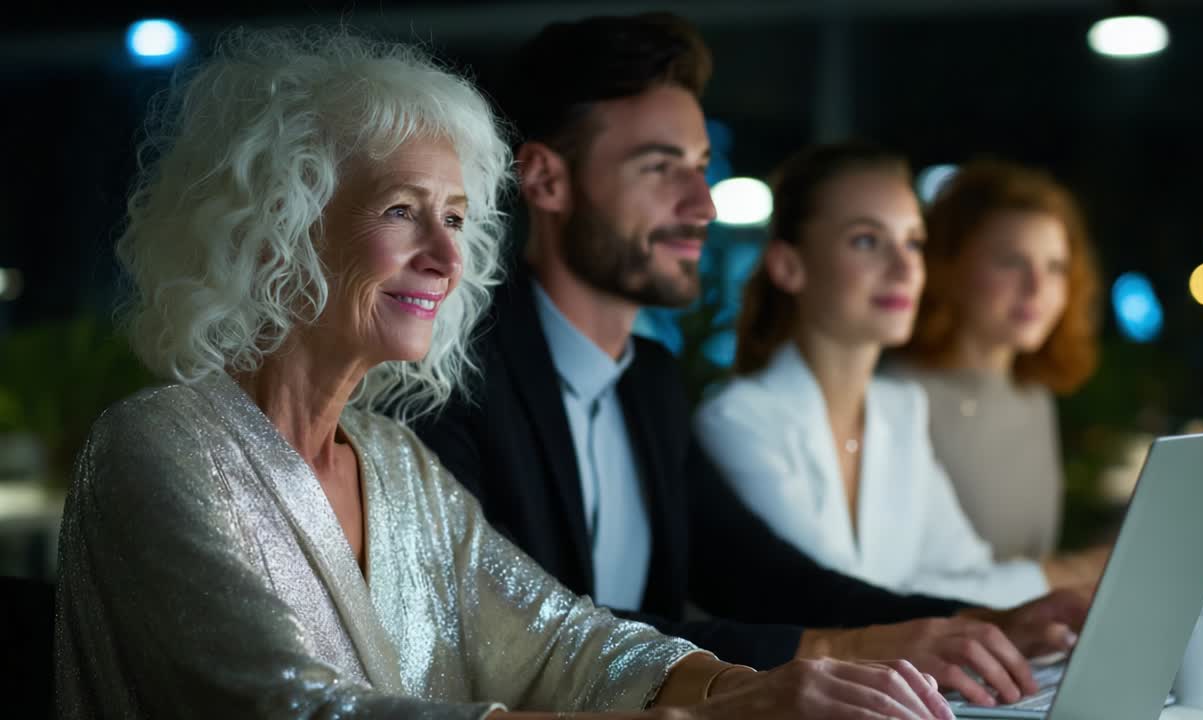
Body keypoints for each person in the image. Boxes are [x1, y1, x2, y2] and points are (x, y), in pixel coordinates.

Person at [52, 26, 956, 720]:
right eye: (403, 211)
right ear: (279, 227)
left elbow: (567, 642)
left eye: (457, 216)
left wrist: (741, 691)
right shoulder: (158, 447)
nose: (449, 257)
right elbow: (310, 710)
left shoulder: (393, 459)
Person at [413, 13, 1087, 709]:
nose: (702, 204)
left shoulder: (648, 381)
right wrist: (856, 648)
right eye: (659, 168)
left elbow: (767, 577)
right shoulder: (452, 379)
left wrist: (977, 624)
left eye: (701, 168)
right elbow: (528, 634)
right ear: (547, 182)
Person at [695, 141, 1101, 610]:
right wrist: (1088, 569)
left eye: (913, 243)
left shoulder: (898, 411)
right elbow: (840, 605)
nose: (906, 266)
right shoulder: (738, 419)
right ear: (789, 265)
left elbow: (969, 573)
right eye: (867, 240)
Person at [895, 159, 1105, 569]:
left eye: (1056, 268)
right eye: (1011, 262)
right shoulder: (895, 397)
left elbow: (1026, 565)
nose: (1037, 289)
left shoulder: (1032, 398)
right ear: (948, 266)